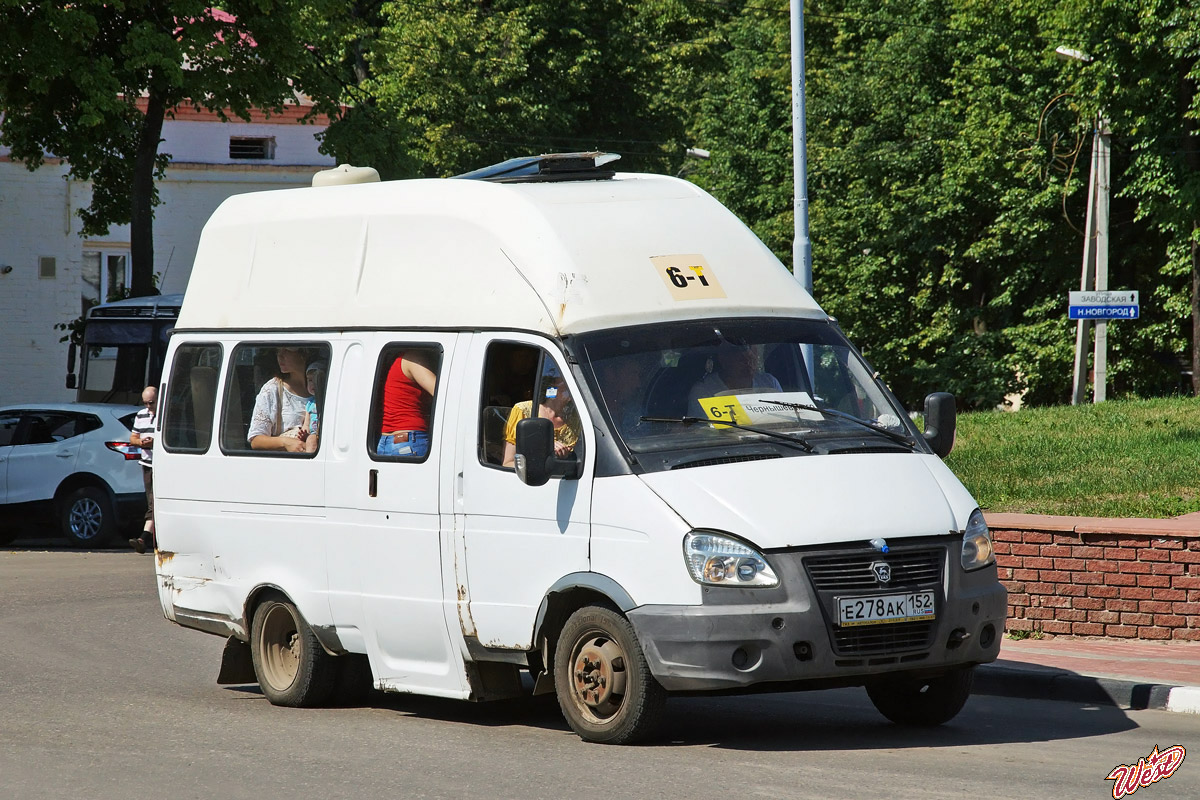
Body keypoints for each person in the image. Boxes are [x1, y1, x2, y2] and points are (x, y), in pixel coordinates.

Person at [502, 371, 580, 467]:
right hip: (532, 479)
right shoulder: (523, 410)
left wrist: (564, 458)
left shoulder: (578, 417)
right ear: (551, 387)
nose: (572, 384)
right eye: (565, 379)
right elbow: (507, 463)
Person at [687, 338, 781, 418]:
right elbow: (699, 431)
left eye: (751, 358)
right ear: (723, 358)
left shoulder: (770, 383)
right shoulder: (704, 391)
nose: (748, 362)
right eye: (738, 354)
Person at [247, 346, 311, 452]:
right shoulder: (272, 389)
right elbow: (255, 439)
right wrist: (285, 443)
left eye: (287, 350)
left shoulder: (323, 387)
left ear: (304, 354)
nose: (280, 356)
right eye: (278, 351)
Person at [377, 351, 437, 458]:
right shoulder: (412, 358)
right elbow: (443, 393)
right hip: (410, 440)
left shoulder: (390, 361)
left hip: (384, 443)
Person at [128, 386, 157, 554]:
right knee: (151, 501)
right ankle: (149, 540)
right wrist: (141, 443)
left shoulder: (165, 414)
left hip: (161, 464)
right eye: (145, 403)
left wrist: (155, 442)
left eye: (151, 403)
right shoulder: (141, 415)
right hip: (146, 463)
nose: (148, 407)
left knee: (154, 502)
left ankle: (143, 538)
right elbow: (133, 438)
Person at [301, 361, 326, 454]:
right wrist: (304, 433)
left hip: (323, 433)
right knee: (311, 440)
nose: (313, 384)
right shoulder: (310, 403)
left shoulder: (326, 401)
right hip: (312, 434)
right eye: (310, 380)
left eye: (316, 380)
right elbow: (306, 424)